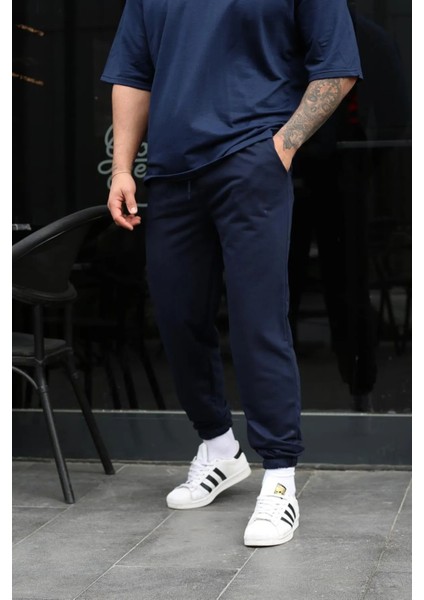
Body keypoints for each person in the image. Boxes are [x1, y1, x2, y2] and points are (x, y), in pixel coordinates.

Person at [101, 0, 362, 547]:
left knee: (256, 321)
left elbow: (337, 66)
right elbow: (133, 73)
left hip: (250, 161)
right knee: (176, 317)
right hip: (170, 173)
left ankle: (280, 477)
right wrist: (122, 167)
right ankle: (219, 447)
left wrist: (281, 147)